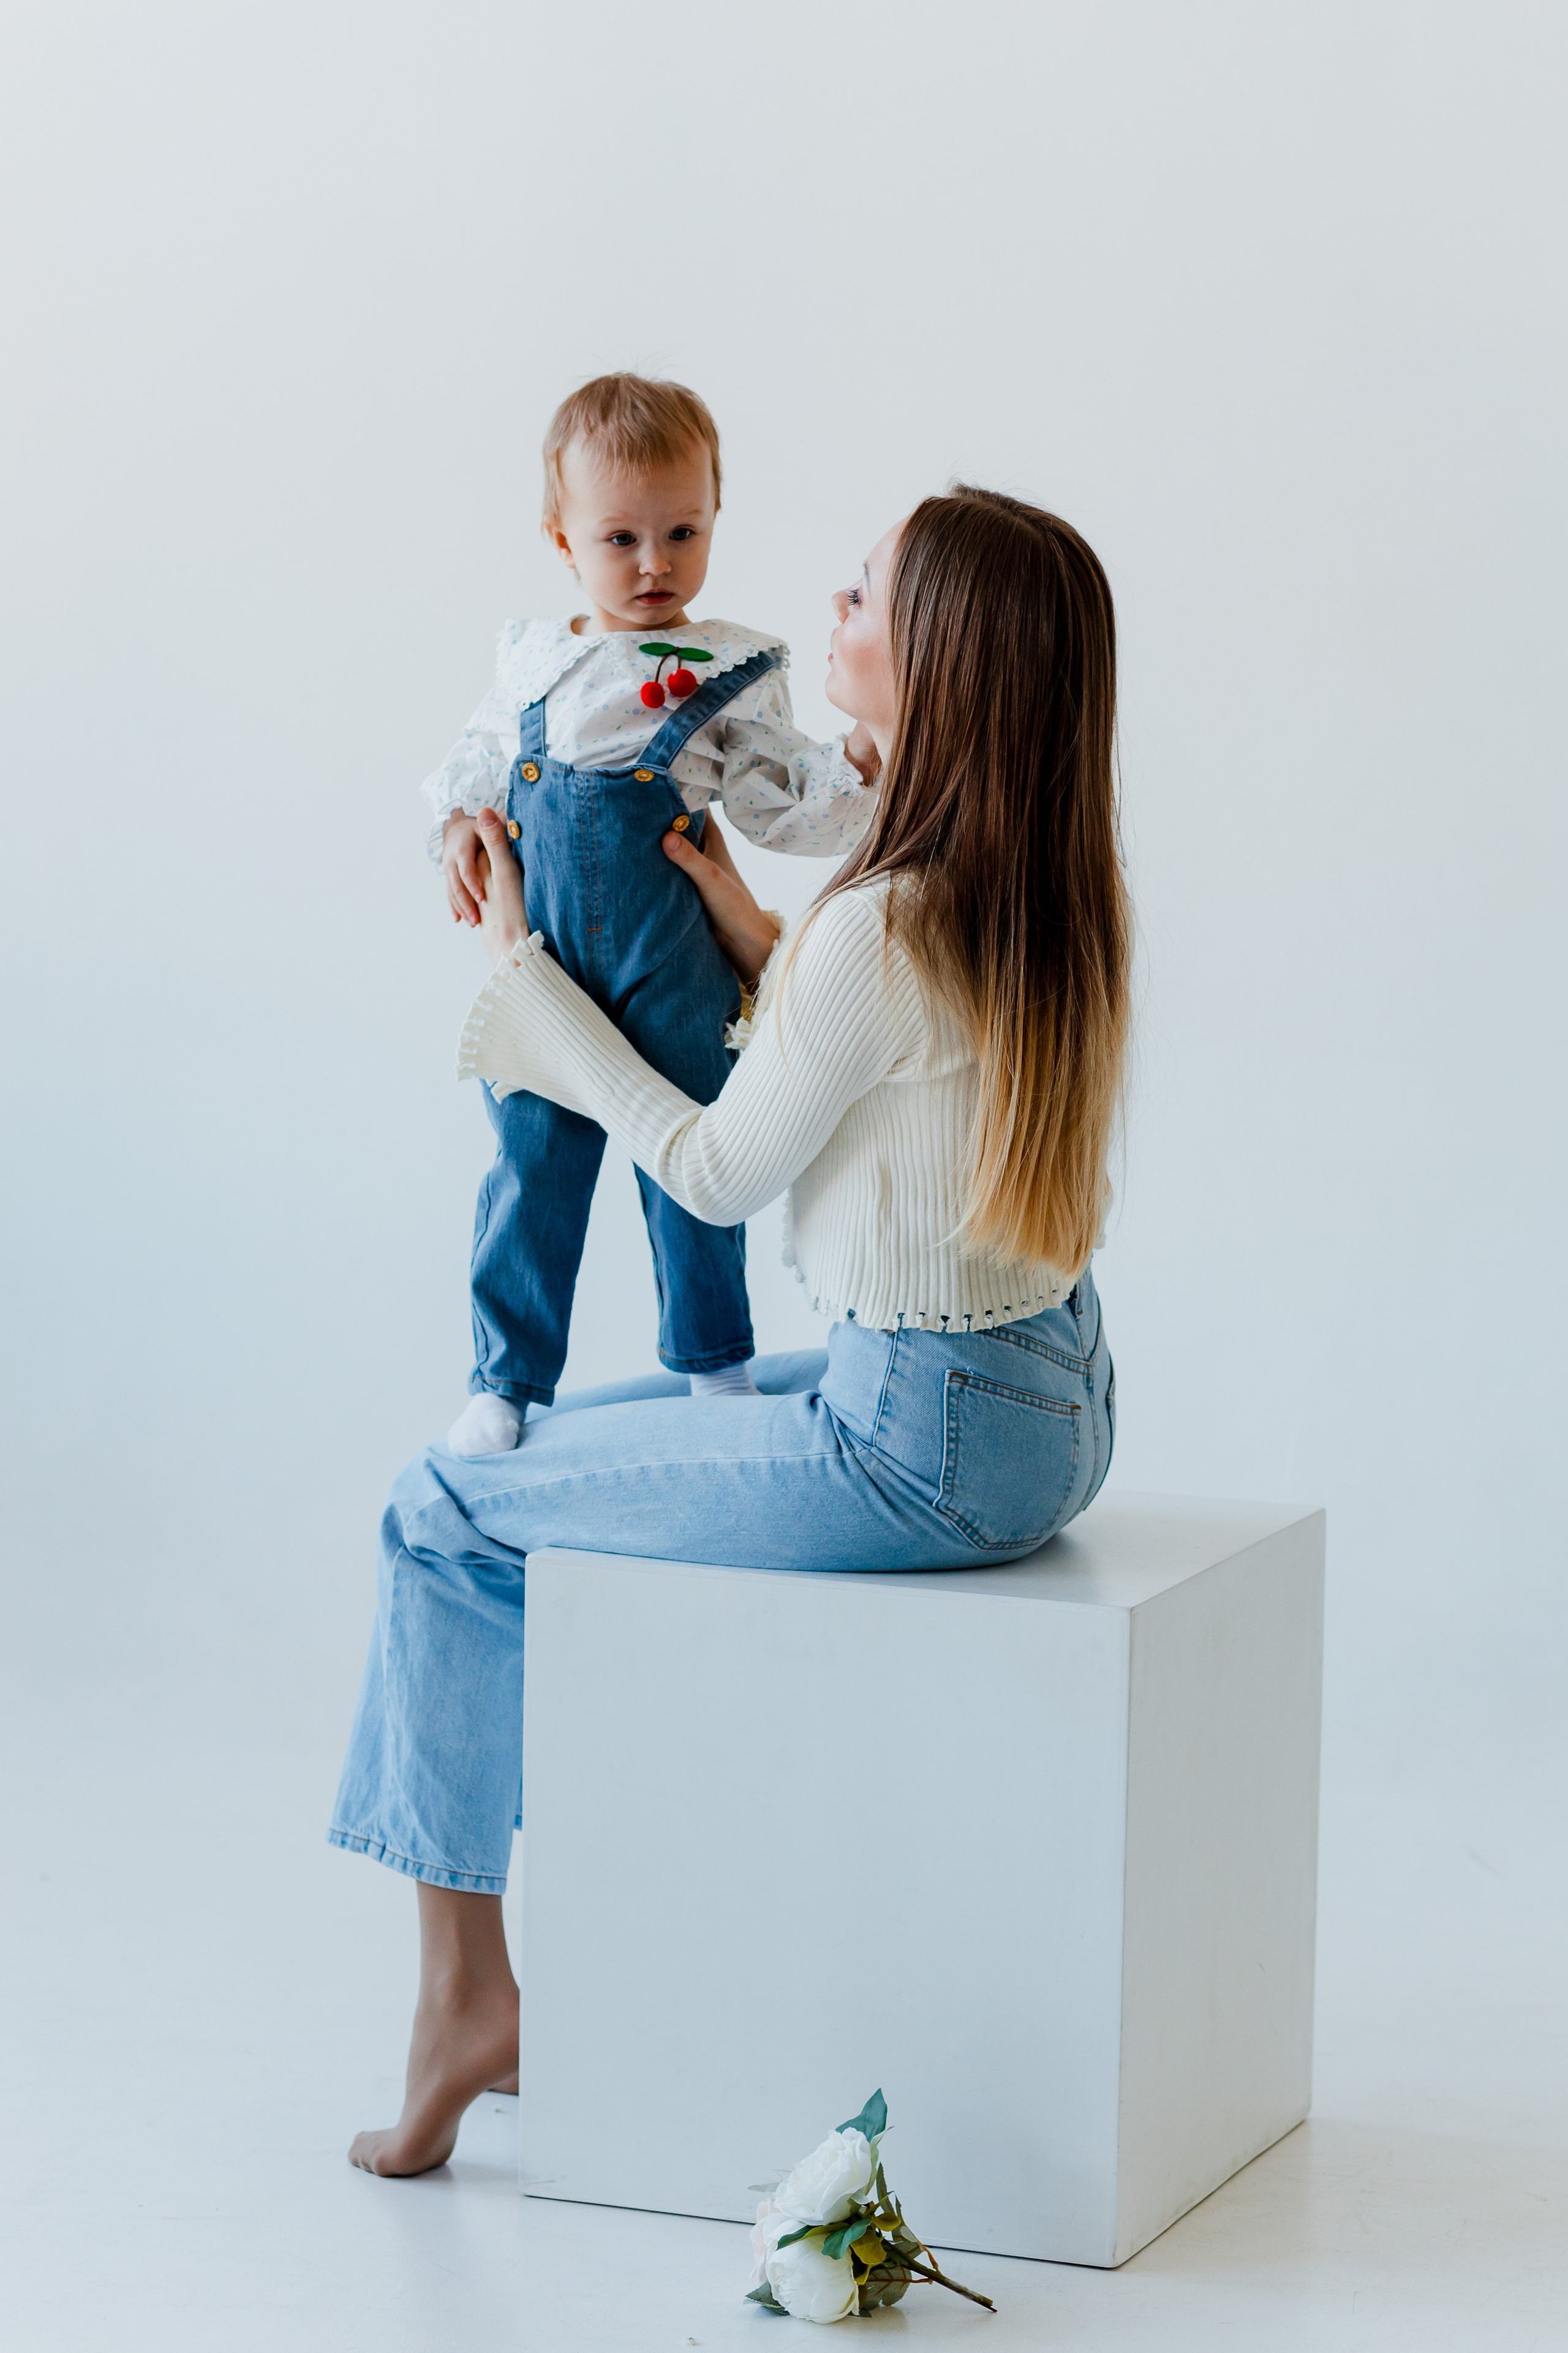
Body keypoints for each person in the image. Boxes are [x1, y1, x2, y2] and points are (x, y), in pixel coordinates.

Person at [333, 485, 1132, 2176]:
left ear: (937, 669)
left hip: (913, 1443)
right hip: (1053, 1396)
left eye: (864, 593)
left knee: (444, 1506)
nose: (825, 605)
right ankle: (476, 1992)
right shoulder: (1038, 890)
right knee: (533, 1460)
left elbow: (708, 1167)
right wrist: (765, 945)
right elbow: (903, 1076)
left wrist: (526, 993)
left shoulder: (881, 926)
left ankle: (466, 1997)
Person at [424, 373, 880, 1459]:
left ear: (716, 517)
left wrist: (852, 769)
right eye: (620, 537)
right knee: (531, 1173)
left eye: (683, 531)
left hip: (668, 963)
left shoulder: (718, 669)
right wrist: (453, 824)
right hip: (546, 966)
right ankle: (506, 1381)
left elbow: (777, 798)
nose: (655, 564)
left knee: (698, 1169)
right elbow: (478, 761)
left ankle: (719, 1363)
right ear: (562, 537)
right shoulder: (534, 663)